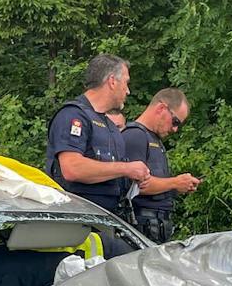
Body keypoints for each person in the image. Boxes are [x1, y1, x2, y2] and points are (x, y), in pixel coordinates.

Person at [45, 55, 150, 213]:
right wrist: (126, 169)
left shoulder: (110, 126)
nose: (128, 91)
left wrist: (133, 179)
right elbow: (72, 169)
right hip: (78, 219)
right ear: (112, 81)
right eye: (126, 83)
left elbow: (111, 172)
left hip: (108, 217)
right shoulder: (73, 115)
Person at [121, 89, 201, 243]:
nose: (175, 129)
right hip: (141, 226)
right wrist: (175, 183)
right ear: (161, 108)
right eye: (175, 121)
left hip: (156, 226)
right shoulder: (135, 136)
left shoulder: (154, 139)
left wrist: (177, 187)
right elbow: (137, 187)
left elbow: (155, 184)